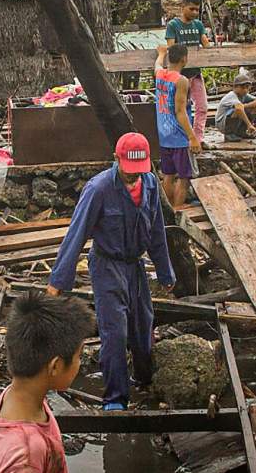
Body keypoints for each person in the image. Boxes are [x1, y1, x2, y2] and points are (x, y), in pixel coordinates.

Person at [46, 132, 176, 411]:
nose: (133, 177)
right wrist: (58, 281)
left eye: (138, 172)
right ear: (116, 160)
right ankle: (116, 396)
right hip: (107, 265)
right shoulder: (99, 189)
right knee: (114, 331)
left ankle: (143, 377)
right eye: (129, 171)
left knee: (143, 325)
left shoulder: (151, 184)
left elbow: (156, 233)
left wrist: (165, 272)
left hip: (135, 265)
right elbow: (76, 234)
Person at [0, 291, 95, 473]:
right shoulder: (24, 458)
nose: (79, 363)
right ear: (55, 366)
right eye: (79, 356)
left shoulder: (18, 394)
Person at [155, 44, 201, 208]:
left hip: (164, 135)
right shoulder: (181, 81)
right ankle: (177, 210)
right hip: (179, 136)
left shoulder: (160, 75)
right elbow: (180, 111)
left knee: (168, 175)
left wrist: (160, 53)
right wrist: (192, 137)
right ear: (184, 59)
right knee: (183, 178)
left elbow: (157, 64)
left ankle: (168, 209)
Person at [166, 0, 211, 142]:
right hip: (179, 76)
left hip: (195, 72)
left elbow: (206, 44)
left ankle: (198, 138)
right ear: (183, 6)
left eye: (197, 10)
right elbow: (171, 49)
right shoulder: (173, 25)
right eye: (191, 9)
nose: (194, 12)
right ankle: (182, 137)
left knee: (202, 107)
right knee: (180, 107)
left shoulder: (198, 25)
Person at [215, 73, 256, 142]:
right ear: (235, 87)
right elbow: (238, 108)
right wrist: (249, 125)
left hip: (231, 119)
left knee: (254, 107)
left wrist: (245, 106)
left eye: (247, 88)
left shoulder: (244, 95)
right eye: (243, 88)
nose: (245, 90)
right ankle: (229, 134)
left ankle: (241, 131)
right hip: (222, 124)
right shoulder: (232, 95)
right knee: (237, 109)